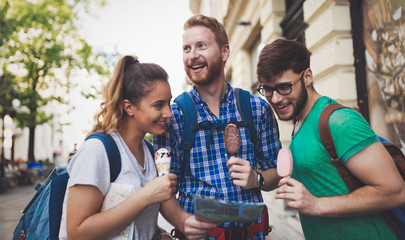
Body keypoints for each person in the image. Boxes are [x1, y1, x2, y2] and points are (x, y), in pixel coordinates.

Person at [256, 38, 405, 239]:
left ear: (307, 76)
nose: (275, 98)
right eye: (268, 89)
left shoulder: (338, 120)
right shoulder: (299, 125)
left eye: (284, 87)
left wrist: (316, 204)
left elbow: (395, 192)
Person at [154, 14, 282, 239]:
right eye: (186, 48)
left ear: (224, 52)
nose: (193, 55)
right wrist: (181, 223)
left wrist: (257, 179)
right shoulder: (175, 115)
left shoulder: (256, 109)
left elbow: (276, 172)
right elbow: (163, 189)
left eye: (201, 46)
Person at [58, 55, 177, 239]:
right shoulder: (96, 151)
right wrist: (146, 196)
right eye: (158, 105)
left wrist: (159, 234)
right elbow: (77, 232)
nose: (168, 113)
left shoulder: (150, 153)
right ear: (129, 107)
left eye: (169, 102)